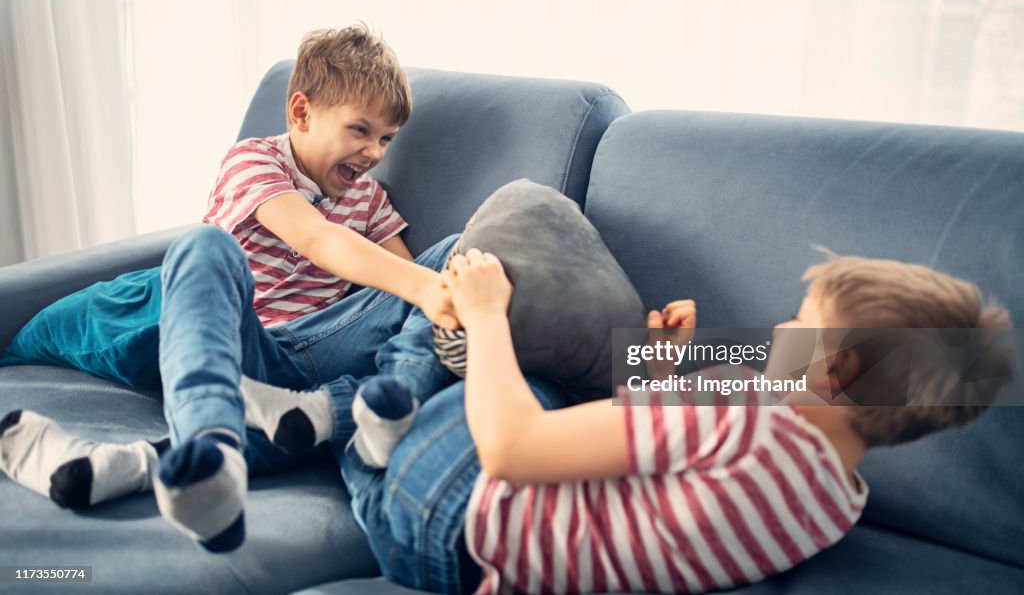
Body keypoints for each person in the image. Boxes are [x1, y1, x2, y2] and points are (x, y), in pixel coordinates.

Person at [0, 24, 460, 552]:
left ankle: (364, 416)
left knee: (453, 254)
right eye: (359, 130)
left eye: (385, 138)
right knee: (204, 246)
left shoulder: (372, 201)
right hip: (234, 346)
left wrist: (438, 288)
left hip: (302, 368)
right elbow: (317, 238)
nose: (374, 151)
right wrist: (426, 288)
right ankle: (211, 443)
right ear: (302, 113)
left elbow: (401, 299)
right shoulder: (255, 161)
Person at [338, 249, 1013, 595]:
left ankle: (359, 439)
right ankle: (379, 424)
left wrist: (486, 311)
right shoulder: (836, 501)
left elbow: (513, 448)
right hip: (485, 554)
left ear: (839, 372)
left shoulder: (740, 403)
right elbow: (663, 501)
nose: (782, 327)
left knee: (471, 300)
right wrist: (657, 374)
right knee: (520, 376)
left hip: (449, 513)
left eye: (804, 322)